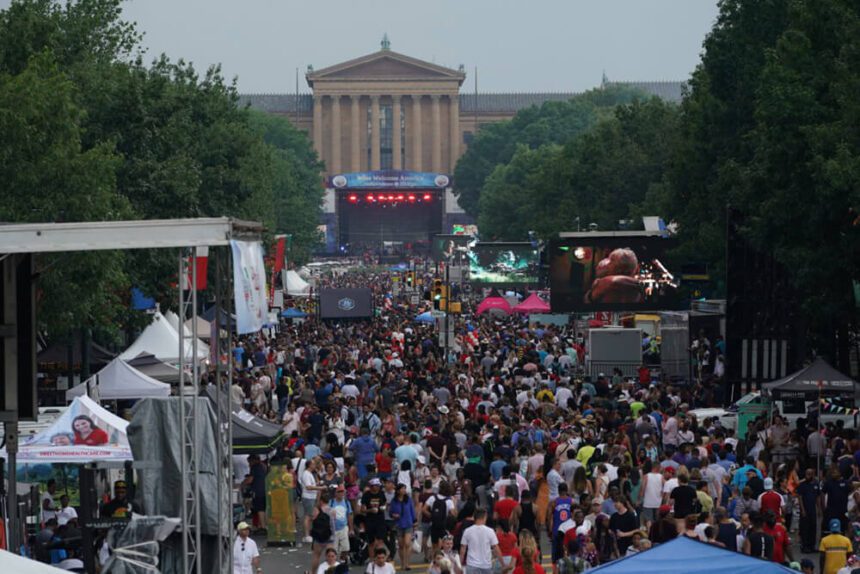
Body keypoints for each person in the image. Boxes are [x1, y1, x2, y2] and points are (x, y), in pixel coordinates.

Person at [459, 508, 504, 574]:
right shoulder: (490, 531)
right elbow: (496, 548)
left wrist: (460, 565)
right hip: (486, 565)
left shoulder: (467, 531)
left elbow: (463, 549)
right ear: (484, 517)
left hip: (472, 565)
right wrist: (503, 563)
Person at [389, 483, 417, 571]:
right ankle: (402, 563)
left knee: (407, 543)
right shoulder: (394, 501)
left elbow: (412, 510)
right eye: (402, 489)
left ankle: (407, 563)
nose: (404, 490)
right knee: (401, 545)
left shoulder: (408, 499)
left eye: (405, 488)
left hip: (408, 523)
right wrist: (394, 515)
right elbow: (390, 513)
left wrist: (415, 521)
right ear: (398, 490)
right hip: (399, 524)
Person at [361, 478, 389, 558]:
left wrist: (384, 507)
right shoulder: (366, 495)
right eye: (375, 485)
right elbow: (362, 510)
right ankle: (372, 560)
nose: (377, 487)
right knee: (371, 542)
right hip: (370, 520)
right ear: (371, 486)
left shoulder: (381, 493)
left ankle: (380, 557)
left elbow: (385, 502)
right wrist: (370, 510)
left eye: (378, 485)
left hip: (380, 519)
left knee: (380, 540)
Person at [797, 467, 821, 553]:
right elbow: (800, 497)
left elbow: (818, 496)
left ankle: (812, 546)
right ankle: (805, 546)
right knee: (805, 528)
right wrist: (802, 509)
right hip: (805, 509)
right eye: (807, 474)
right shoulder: (802, 485)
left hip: (813, 510)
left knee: (813, 527)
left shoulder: (815, 484)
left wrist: (818, 508)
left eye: (810, 474)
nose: (808, 476)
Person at [330, 485, 353, 564]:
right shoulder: (331, 502)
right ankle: (334, 564)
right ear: (335, 493)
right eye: (339, 491)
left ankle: (342, 560)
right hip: (333, 530)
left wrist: (351, 529)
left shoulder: (346, 502)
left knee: (346, 548)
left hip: (343, 528)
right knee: (334, 549)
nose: (341, 493)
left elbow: (349, 515)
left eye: (343, 491)